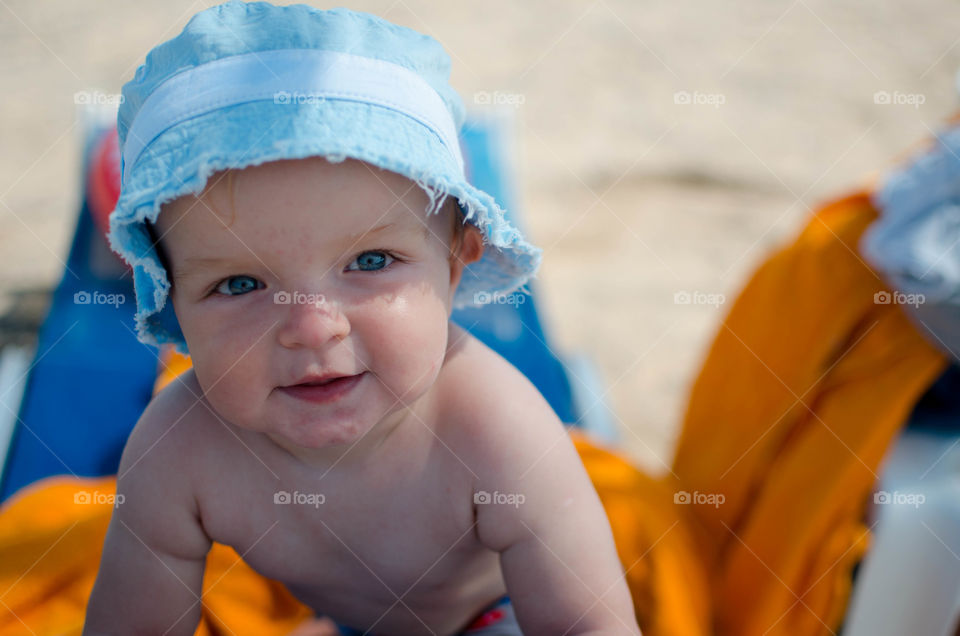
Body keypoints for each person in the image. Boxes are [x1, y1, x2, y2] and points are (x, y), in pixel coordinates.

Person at [82, 2, 641, 635]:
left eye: (370, 260)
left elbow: (589, 626)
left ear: (456, 263)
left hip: (495, 614)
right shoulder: (177, 452)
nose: (314, 328)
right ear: (171, 303)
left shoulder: (493, 427)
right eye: (239, 284)